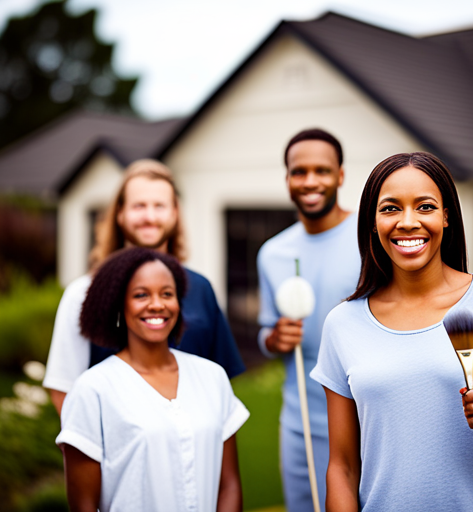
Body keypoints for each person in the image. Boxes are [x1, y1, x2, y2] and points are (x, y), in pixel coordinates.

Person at [311, 152, 473, 511]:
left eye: (425, 207)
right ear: (372, 222)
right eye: (390, 208)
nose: (407, 222)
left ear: (446, 216)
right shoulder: (342, 324)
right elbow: (342, 467)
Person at [44, 159, 245, 414]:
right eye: (139, 206)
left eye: (159, 206)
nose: (149, 217)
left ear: (174, 213)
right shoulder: (83, 293)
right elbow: (64, 391)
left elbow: (220, 386)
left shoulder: (201, 288)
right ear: (120, 214)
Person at [56, 247, 249, 512]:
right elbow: (83, 506)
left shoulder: (212, 377)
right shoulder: (93, 390)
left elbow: (228, 485)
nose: (157, 304)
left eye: (167, 294)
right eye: (141, 294)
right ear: (118, 305)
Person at [257, 128, 360, 511]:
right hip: (300, 422)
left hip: (368, 421)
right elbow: (266, 333)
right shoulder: (272, 253)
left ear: (341, 176)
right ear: (287, 178)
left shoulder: (370, 236)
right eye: (299, 172)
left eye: (322, 170)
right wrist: (274, 338)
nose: (310, 181)